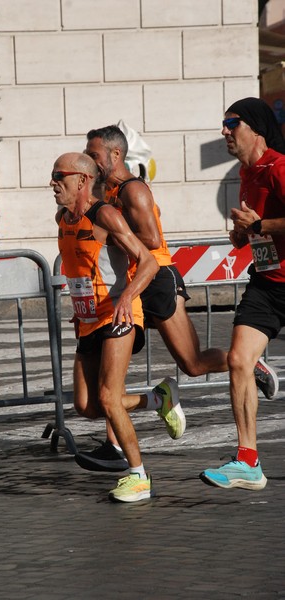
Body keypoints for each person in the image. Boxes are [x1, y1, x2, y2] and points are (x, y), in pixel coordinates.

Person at [75, 124, 278, 473]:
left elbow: (152, 241)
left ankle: (245, 363)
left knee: (193, 363)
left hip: (156, 280)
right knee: (113, 368)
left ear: (115, 155)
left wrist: (115, 235)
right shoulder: (108, 192)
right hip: (128, 285)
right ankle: (114, 445)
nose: (90, 161)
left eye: (94, 155)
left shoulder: (132, 190)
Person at [52, 151, 185, 502]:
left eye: (59, 177)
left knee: (109, 397)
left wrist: (127, 296)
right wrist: (80, 309)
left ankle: (138, 476)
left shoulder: (106, 215)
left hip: (118, 315)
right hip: (89, 319)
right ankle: (158, 399)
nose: (52, 184)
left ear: (82, 181)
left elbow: (147, 262)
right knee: (87, 406)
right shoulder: (62, 218)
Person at [200, 97, 285, 490]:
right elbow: (256, 231)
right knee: (238, 359)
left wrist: (260, 222)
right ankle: (248, 461)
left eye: (231, 123)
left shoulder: (279, 166)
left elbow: (266, 222)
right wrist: (243, 234)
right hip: (268, 284)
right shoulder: (246, 174)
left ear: (254, 129)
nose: (224, 131)